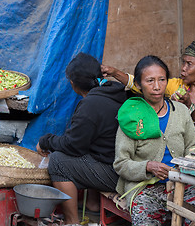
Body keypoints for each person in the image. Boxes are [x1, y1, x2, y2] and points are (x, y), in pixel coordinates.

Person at [113, 55, 195, 225]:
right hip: (145, 188)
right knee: (143, 213)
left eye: (162, 80)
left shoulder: (181, 111)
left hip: (182, 184)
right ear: (138, 84)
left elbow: (193, 147)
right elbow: (121, 163)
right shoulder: (132, 117)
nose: (157, 86)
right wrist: (148, 166)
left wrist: (184, 166)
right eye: (150, 81)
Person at [36, 52, 127, 225]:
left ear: (73, 83)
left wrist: (46, 141)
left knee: (58, 162)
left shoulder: (91, 105)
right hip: (121, 163)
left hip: (117, 173)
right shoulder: (115, 90)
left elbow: (73, 146)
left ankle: (72, 221)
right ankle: (92, 204)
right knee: (94, 147)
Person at [102, 39, 195, 142]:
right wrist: (115, 72)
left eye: (189, 64)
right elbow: (143, 83)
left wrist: (190, 107)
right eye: (183, 62)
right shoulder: (176, 85)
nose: (183, 68)